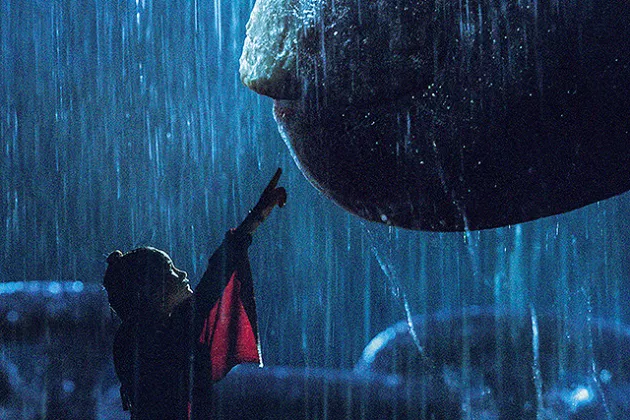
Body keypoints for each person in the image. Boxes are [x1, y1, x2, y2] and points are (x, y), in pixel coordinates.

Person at [103, 168, 287, 419]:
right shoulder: (160, 338)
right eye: (170, 271)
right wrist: (254, 219)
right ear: (153, 293)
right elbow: (213, 280)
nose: (183, 274)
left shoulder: (135, 340)